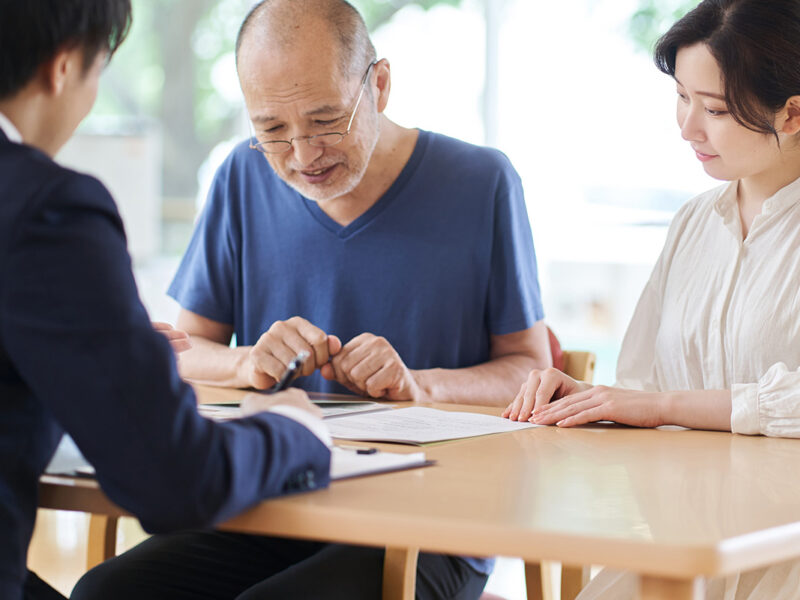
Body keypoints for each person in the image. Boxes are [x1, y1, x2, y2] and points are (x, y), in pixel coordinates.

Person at [73, 0, 549, 598]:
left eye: (326, 121)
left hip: (433, 518)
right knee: (106, 594)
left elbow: (531, 369)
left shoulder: (482, 182)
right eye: (271, 130)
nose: (302, 155)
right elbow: (185, 348)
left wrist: (421, 386)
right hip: (278, 494)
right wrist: (246, 363)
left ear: (378, 84)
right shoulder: (240, 178)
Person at [0, 2, 332, 599]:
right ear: (64, 66)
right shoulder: (46, 209)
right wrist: (290, 428)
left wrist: (92, 351)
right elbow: (175, 479)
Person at [504, 0, 800, 597]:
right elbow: (646, 386)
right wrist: (593, 400)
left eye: (714, 109)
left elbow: (679, 402)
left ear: (792, 114)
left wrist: (663, 406)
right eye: (682, 97)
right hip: (683, 541)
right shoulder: (693, 223)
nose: (687, 127)